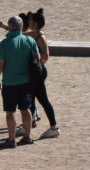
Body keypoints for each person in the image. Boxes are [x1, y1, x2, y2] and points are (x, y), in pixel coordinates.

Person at [0, 15, 39, 147]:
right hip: (26, 81)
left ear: (9, 27)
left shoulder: (4, 44)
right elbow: (37, 58)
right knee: (26, 109)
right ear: (22, 26)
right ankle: (27, 136)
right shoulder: (29, 41)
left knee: (10, 112)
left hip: (9, 83)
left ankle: (11, 139)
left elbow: (0, 65)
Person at [24, 10, 58, 139]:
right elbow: (19, 33)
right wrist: (4, 26)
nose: (28, 22)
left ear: (36, 23)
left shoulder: (40, 37)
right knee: (31, 97)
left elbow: (46, 55)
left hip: (38, 71)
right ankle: (29, 124)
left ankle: (54, 127)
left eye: (30, 20)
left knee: (43, 100)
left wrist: (36, 61)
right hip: (36, 71)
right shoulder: (34, 33)